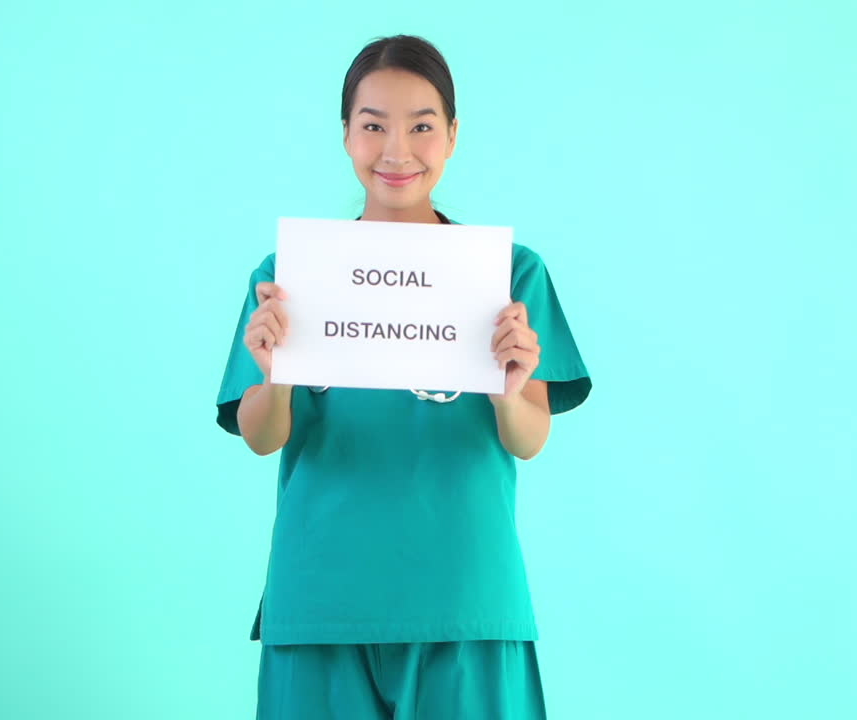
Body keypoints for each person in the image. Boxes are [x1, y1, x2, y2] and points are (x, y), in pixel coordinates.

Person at [214, 34, 591, 720]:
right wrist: (276, 372)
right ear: (346, 135)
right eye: (373, 126)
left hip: (464, 596)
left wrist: (511, 386)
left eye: (421, 126)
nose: (397, 150)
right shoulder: (289, 274)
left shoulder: (510, 272)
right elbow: (261, 436)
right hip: (321, 597)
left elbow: (529, 438)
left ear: (451, 134)